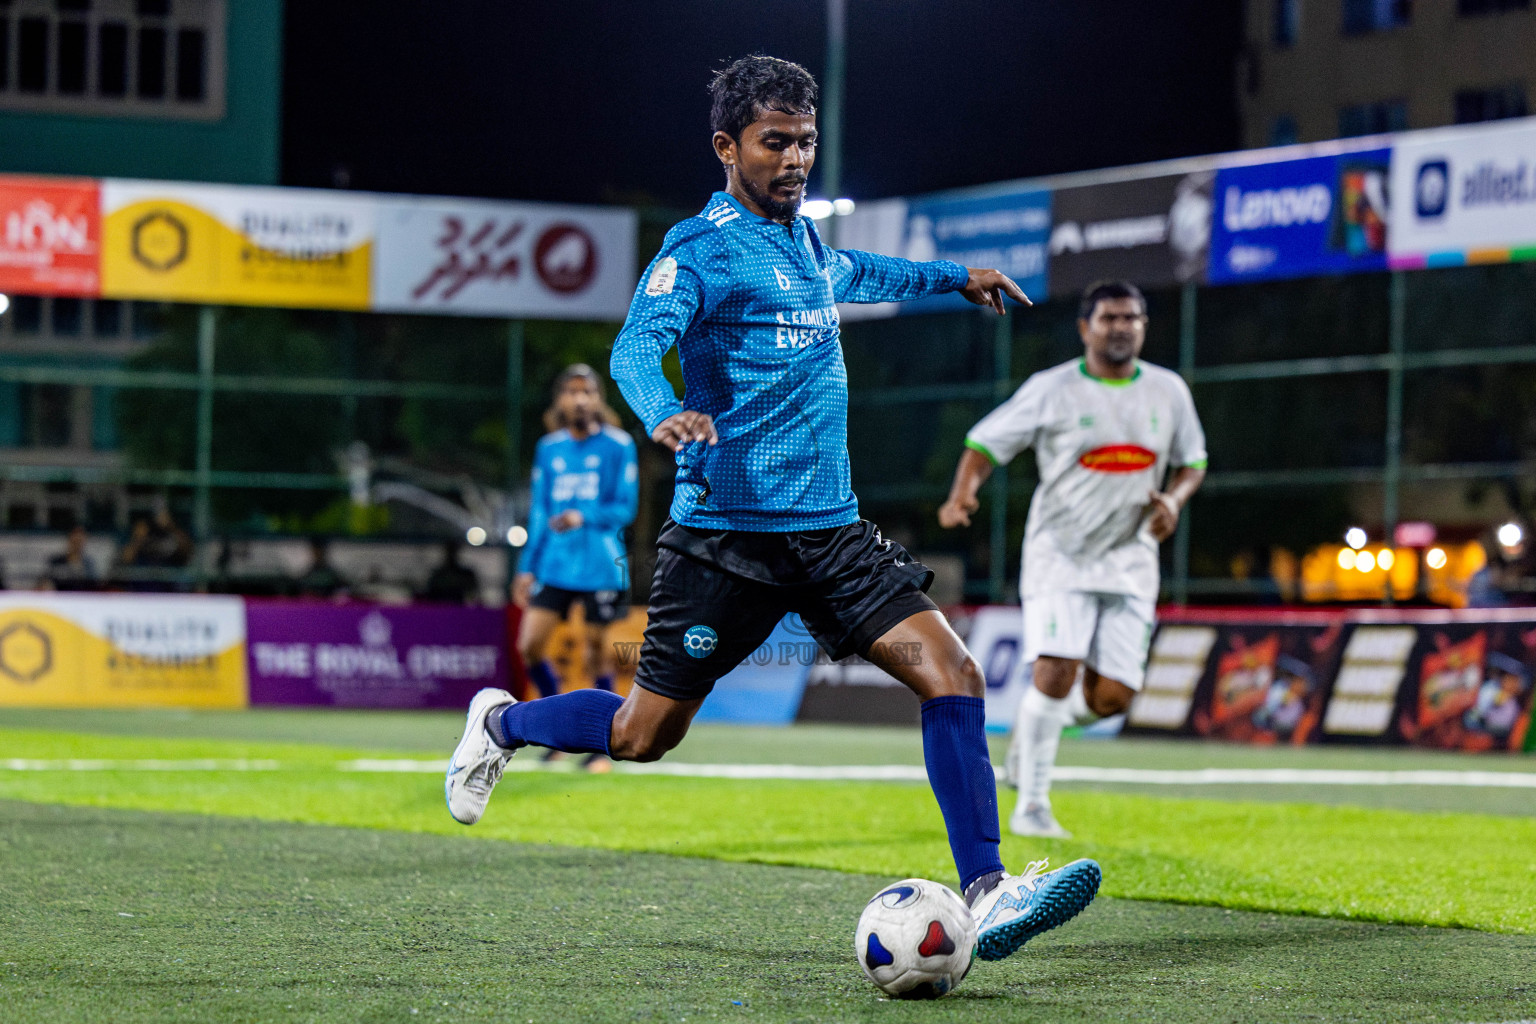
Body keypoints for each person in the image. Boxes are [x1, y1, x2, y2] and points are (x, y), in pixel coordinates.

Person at [444, 55, 1100, 962]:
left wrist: (955, 275)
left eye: (807, 144)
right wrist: (660, 408)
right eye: (775, 143)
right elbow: (638, 347)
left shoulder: (806, 244)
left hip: (830, 533)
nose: (795, 161)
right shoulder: (699, 249)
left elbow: (865, 272)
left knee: (952, 675)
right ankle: (500, 724)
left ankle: (987, 890)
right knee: (641, 735)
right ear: (727, 147)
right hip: (725, 544)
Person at [939, 280, 1208, 839]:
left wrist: (1173, 502)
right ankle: (1031, 805)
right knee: (1055, 671)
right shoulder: (1053, 388)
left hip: (1132, 559)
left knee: (1111, 699)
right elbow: (985, 443)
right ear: (1086, 328)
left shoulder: (1169, 391)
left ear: (1144, 326)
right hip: (1060, 553)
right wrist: (963, 491)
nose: (1121, 326)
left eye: (1132, 317)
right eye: (1109, 317)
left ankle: (1032, 741)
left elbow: (1193, 462)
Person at [512, 364, 638, 772]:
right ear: (560, 400)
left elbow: (625, 507)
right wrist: (526, 566)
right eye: (571, 391)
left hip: (601, 565)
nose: (580, 399)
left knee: (597, 654)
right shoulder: (549, 448)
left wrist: (582, 515)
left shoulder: (619, 445)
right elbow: (538, 513)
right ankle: (557, 738)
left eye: (587, 391)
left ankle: (604, 750)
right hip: (554, 565)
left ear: (599, 399)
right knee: (530, 645)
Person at [423, 540, 482, 605]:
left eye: (453, 551)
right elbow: (430, 595)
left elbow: (474, 596)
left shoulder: (466, 575)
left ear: (457, 553)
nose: (451, 554)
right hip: (439, 609)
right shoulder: (437, 575)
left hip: (461, 610)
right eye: (449, 551)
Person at [46, 525, 98, 591]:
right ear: (69, 539)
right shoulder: (57, 562)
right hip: (60, 598)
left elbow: (94, 587)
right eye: (75, 540)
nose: (77, 543)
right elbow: (46, 582)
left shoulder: (89, 565)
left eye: (80, 540)